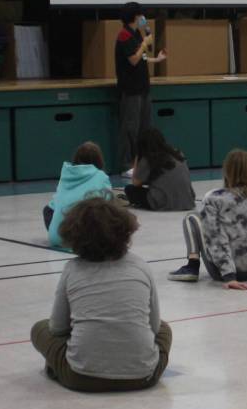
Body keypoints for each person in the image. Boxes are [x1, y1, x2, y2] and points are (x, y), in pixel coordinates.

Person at [31, 197, 172, 392]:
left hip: (80, 378)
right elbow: (154, 327)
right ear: (125, 231)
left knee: (40, 328)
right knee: (165, 329)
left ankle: (61, 365)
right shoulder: (140, 266)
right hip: (143, 377)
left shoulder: (72, 269)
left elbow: (57, 327)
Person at [167, 148, 247, 288]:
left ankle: (192, 265)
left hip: (223, 273)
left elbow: (216, 238)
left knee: (191, 217)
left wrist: (229, 277)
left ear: (227, 172)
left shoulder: (213, 198)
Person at [115, 3, 167, 179]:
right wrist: (145, 42)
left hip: (143, 87)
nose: (143, 19)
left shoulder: (136, 34)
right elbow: (133, 59)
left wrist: (156, 59)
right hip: (131, 89)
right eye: (141, 15)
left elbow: (142, 57)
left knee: (145, 127)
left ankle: (143, 162)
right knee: (130, 128)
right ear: (135, 17)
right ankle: (126, 164)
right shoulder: (124, 35)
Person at [44, 141, 112, 247]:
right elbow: (110, 206)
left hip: (56, 238)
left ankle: (58, 231)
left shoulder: (66, 174)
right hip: (85, 238)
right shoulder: (101, 176)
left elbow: (56, 203)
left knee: (49, 208)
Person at [125, 127, 195, 211]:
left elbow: (135, 183)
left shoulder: (148, 159)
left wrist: (137, 156)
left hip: (163, 202)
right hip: (188, 200)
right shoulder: (178, 153)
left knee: (130, 189)